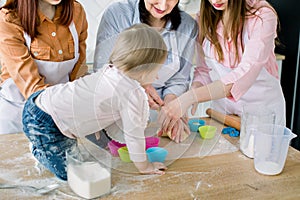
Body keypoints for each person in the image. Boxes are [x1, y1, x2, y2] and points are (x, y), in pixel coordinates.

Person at [22, 24, 168, 180]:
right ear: (143, 70)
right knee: (72, 175)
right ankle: (40, 149)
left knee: (78, 159)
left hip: (43, 103)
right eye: (157, 70)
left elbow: (99, 106)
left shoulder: (111, 71)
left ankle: (42, 144)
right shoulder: (131, 94)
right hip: (45, 121)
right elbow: (134, 136)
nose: (158, 76)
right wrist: (145, 166)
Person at [158, 0, 286, 132]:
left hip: (261, 114)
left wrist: (190, 97)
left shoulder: (262, 16)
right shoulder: (204, 17)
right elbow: (204, 70)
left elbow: (245, 74)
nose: (215, 1)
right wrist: (193, 91)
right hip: (223, 114)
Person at [93, 0, 198, 142]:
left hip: (158, 118)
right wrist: (139, 88)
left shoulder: (188, 26)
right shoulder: (118, 14)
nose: (162, 6)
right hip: (118, 112)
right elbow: (103, 70)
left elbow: (179, 80)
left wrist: (171, 108)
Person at [0, 0, 88, 134]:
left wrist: (87, 111)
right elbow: (32, 88)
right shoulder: (9, 20)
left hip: (61, 114)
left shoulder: (76, 11)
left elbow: (78, 73)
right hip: (17, 116)